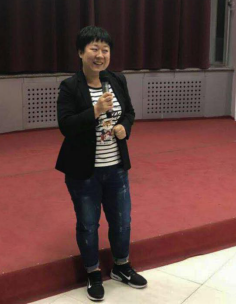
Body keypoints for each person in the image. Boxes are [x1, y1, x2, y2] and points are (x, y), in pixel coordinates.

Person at [56, 26, 148, 302]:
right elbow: (66, 125)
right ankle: (93, 272)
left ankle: (121, 266)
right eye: (94, 49)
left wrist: (124, 128)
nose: (100, 55)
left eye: (105, 50)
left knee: (122, 220)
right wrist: (95, 111)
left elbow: (129, 112)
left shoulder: (116, 80)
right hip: (84, 171)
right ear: (80, 53)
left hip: (116, 167)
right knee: (88, 224)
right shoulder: (70, 86)